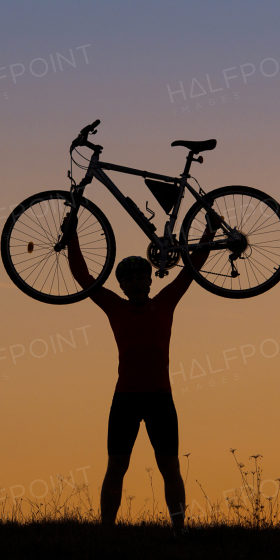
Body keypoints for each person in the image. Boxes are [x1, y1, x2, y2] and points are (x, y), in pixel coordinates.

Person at [65, 208, 221, 534]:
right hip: (125, 399)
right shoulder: (114, 306)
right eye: (130, 280)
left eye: (141, 278)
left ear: (150, 280)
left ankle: (179, 532)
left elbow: (191, 269)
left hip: (160, 399)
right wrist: (72, 236)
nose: (136, 283)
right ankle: (107, 530)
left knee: (170, 467)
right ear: (121, 285)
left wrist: (208, 233)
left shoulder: (164, 302)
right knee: (116, 466)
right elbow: (83, 278)